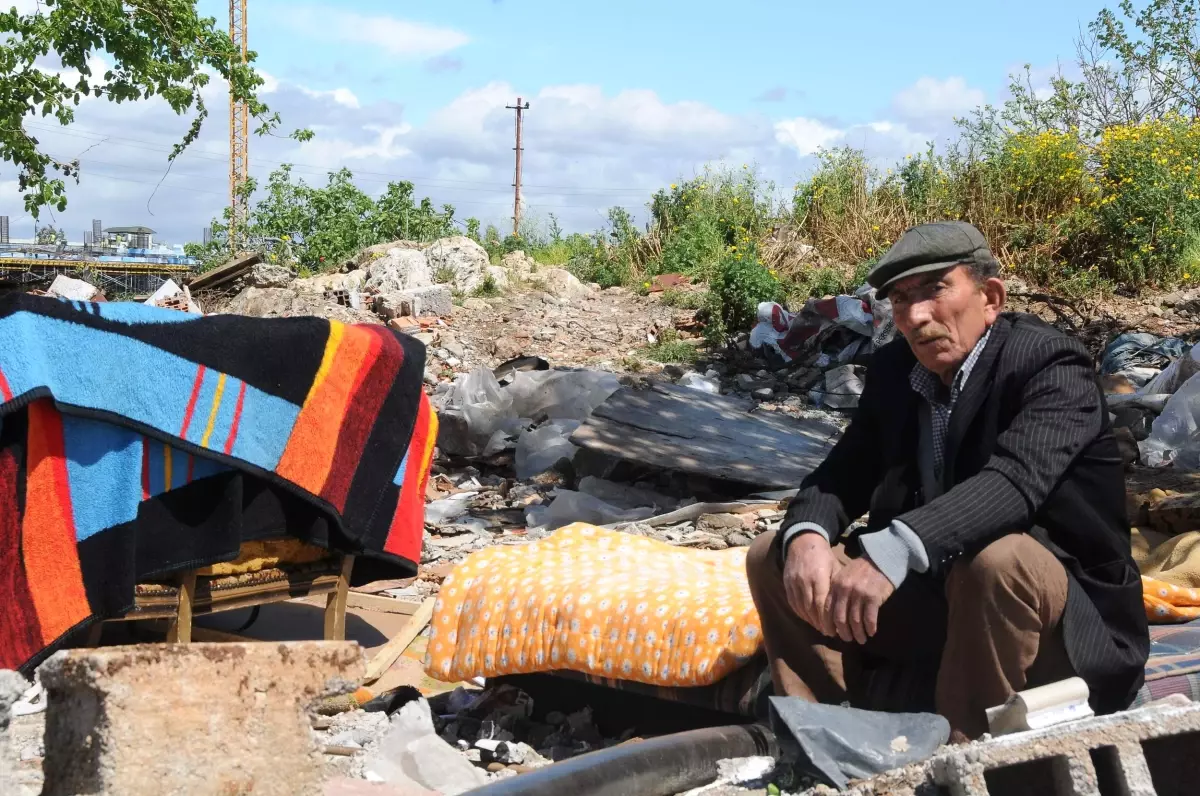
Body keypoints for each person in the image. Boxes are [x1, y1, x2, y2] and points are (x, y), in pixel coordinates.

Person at [746, 221, 1149, 739]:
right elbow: (842, 473)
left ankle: (965, 755)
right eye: (900, 299)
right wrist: (805, 535)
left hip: (1062, 629)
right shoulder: (895, 371)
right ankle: (830, 739)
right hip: (945, 612)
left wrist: (891, 550)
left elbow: (1012, 483)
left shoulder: (1050, 365)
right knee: (771, 555)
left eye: (935, 290)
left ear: (991, 297)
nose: (916, 317)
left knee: (999, 562)